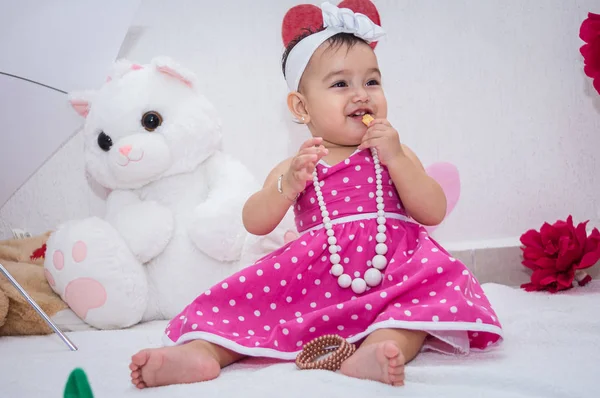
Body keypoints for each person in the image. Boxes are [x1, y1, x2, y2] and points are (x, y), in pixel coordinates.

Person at [129, 2, 503, 389]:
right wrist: (287, 185)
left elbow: (433, 210)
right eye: (341, 84)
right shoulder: (300, 162)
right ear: (301, 107)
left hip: (394, 269)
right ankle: (203, 353)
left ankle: (380, 348)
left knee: (417, 310)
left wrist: (396, 159)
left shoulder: (394, 152)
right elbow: (254, 221)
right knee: (253, 307)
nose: (361, 95)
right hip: (318, 275)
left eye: (371, 82)